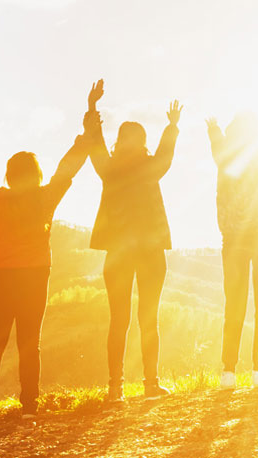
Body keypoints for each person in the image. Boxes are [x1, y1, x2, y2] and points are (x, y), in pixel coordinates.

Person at [0, 94, 93, 421]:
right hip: (35, 274)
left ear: (10, 176)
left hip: (1, 274)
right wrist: (87, 131)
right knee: (29, 342)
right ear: (36, 175)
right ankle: (29, 408)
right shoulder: (46, 197)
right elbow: (67, 170)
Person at [83, 82, 181, 402]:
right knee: (145, 317)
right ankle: (149, 384)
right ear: (142, 142)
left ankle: (117, 388)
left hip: (120, 254)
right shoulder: (149, 168)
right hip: (149, 252)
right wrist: (171, 126)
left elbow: (95, 143)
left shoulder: (109, 169)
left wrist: (92, 110)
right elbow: (165, 154)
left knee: (120, 318)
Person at [205, 112, 258, 390]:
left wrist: (214, 128)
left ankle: (228, 372)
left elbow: (217, 143)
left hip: (234, 238)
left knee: (234, 303)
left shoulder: (224, 159)